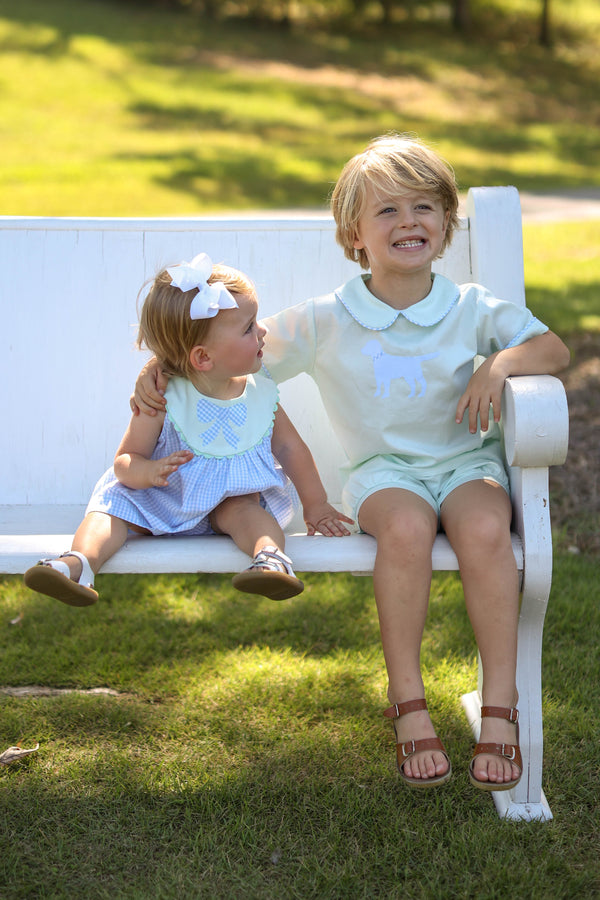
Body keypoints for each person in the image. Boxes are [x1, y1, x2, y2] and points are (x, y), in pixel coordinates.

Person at [131, 136, 570, 791]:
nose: (409, 221)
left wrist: (500, 364)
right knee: (405, 530)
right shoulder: (326, 320)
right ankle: (408, 701)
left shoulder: (470, 307)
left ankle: (500, 707)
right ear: (353, 235)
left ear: (445, 224)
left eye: (424, 206)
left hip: (465, 464)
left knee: (483, 531)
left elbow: (552, 348)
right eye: (387, 211)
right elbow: (231, 352)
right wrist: (163, 368)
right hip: (384, 476)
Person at [24, 253, 352, 609]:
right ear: (203, 358)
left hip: (229, 501)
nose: (262, 331)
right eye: (248, 327)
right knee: (111, 510)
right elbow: (124, 462)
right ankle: (79, 563)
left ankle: (271, 558)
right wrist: (148, 472)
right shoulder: (163, 396)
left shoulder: (260, 390)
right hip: (163, 500)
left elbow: (290, 448)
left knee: (246, 509)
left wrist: (317, 504)